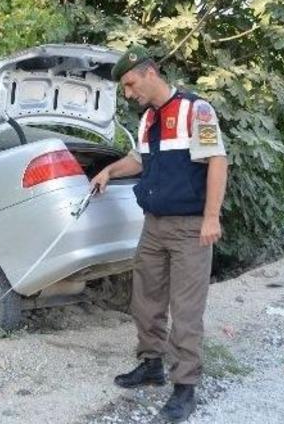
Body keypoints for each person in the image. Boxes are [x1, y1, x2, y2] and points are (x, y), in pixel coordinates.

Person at [90, 45, 228, 423]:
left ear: (150, 73)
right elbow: (139, 160)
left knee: (186, 310)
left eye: (131, 84)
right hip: (153, 225)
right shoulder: (147, 119)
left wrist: (211, 217)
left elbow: (217, 160)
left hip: (189, 227)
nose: (129, 93)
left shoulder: (194, 109)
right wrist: (109, 172)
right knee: (145, 298)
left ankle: (185, 387)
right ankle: (151, 365)